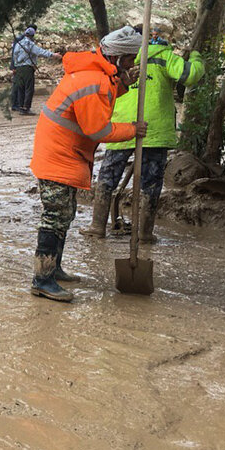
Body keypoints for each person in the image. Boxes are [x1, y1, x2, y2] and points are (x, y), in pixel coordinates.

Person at [27, 25, 147, 302]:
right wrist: (133, 129)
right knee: (55, 217)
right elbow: (98, 130)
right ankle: (41, 280)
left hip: (63, 153)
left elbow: (102, 98)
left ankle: (53, 269)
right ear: (116, 58)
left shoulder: (98, 76)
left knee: (64, 214)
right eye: (129, 59)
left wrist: (123, 84)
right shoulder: (93, 81)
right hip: (59, 155)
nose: (132, 63)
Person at [82, 29, 205, 242]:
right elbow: (191, 75)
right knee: (151, 182)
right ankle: (145, 233)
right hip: (154, 130)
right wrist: (195, 56)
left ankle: (97, 226)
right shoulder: (165, 56)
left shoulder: (124, 56)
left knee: (108, 176)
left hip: (121, 127)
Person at [9, 27, 60, 115]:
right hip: (27, 68)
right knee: (29, 88)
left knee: (21, 88)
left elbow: (14, 56)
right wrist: (53, 55)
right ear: (32, 36)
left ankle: (21, 107)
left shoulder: (18, 44)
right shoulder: (29, 44)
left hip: (18, 69)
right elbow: (40, 52)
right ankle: (26, 108)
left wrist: (15, 66)